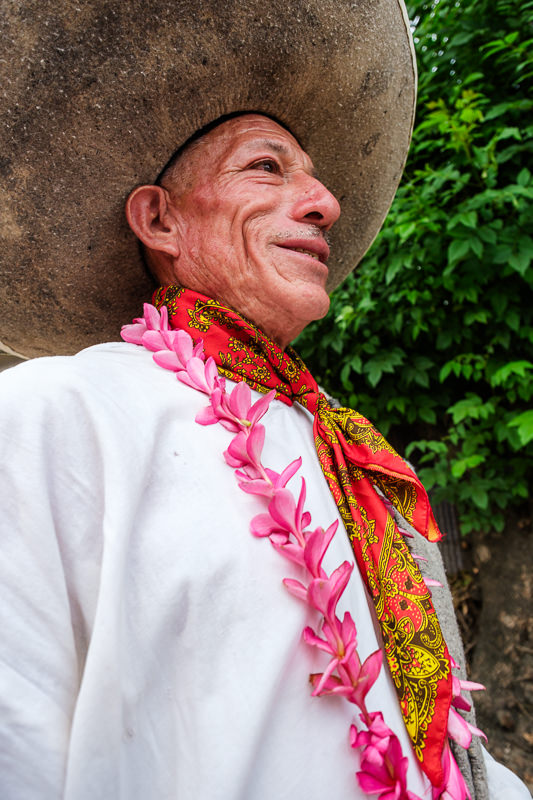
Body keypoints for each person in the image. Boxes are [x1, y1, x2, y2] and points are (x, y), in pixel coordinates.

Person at [1, 3, 531, 799]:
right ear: (159, 219)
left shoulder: (348, 453)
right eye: (266, 168)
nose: (324, 202)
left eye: (311, 177)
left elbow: (429, 744)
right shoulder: (57, 412)